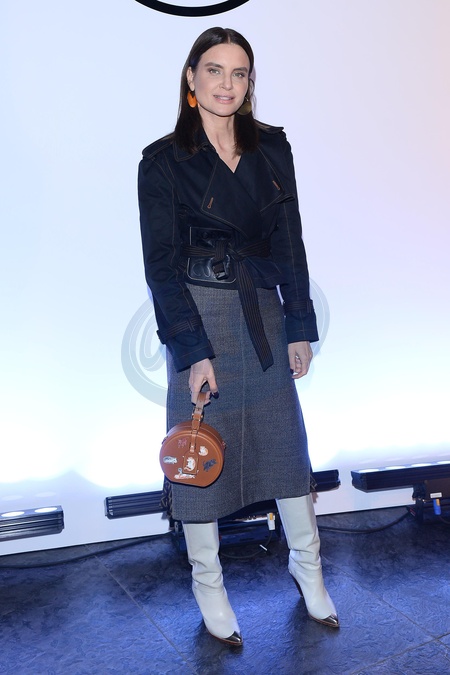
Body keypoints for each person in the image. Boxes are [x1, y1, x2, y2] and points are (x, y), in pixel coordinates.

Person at [138, 27, 338, 646]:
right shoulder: (163, 161)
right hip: (200, 315)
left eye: (240, 72)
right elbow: (160, 267)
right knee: (199, 455)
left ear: (250, 83)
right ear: (191, 78)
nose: (227, 84)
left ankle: (309, 571)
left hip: (262, 315)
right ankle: (209, 585)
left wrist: (298, 324)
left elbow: (290, 243)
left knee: (285, 447)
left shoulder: (272, 148)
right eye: (214, 70)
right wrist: (192, 350)